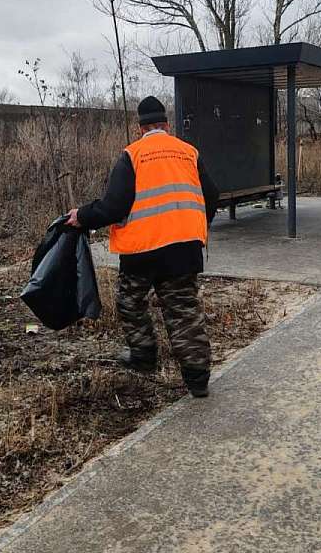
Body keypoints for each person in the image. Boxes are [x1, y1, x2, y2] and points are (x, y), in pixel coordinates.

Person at [67, 96, 219, 398]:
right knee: (184, 311)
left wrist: (81, 216)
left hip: (142, 251)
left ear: (140, 129)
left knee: (130, 301)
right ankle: (198, 379)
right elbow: (211, 196)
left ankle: (144, 356)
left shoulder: (132, 155)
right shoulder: (189, 152)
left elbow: (114, 206)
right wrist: (193, 227)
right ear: (166, 125)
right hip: (184, 249)